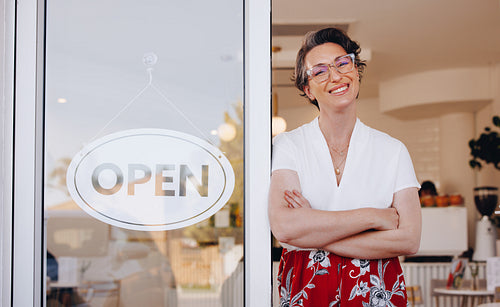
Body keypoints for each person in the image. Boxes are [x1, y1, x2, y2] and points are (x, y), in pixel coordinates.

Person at [268, 28, 422, 306]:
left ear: (356, 71)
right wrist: (374, 217)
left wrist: (314, 232)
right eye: (320, 71)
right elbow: (285, 227)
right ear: (307, 89)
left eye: (342, 63)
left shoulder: (393, 151)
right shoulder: (288, 145)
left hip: (376, 288)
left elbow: (409, 239)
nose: (336, 76)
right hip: (307, 285)